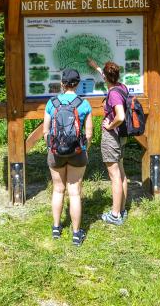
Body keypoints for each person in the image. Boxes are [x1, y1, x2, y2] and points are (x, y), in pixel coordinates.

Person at [43, 68, 93, 246]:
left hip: (56, 153)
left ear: (63, 83)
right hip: (78, 153)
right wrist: (83, 148)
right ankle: (76, 233)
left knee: (58, 190)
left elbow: (46, 131)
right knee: (74, 193)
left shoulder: (52, 103)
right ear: (77, 84)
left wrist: (53, 147)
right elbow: (88, 134)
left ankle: (56, 228)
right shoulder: (84, 104)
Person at [88, 59, 129, 225]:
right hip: (122, 136)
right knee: (121, 172)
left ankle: (114, 215)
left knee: (114, 176)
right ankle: (121, 209)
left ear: (105, 77)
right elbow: (107, 76)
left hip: (112, 137)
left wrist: (110, 126)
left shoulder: (112, 94)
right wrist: (97, 67)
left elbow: (120, 116)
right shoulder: (122, 87)